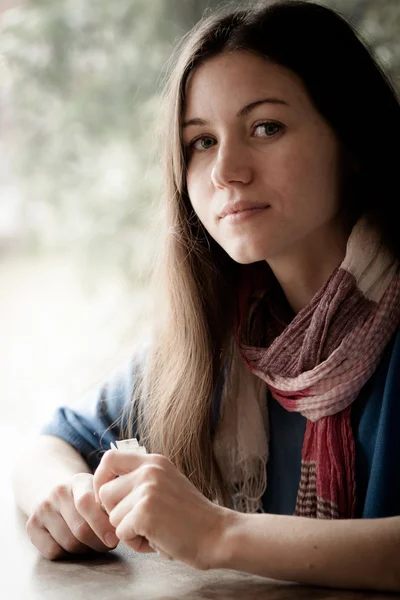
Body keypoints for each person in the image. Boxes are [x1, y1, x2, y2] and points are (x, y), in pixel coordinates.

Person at [13, 0, 400, 592]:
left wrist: (217, 533)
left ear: (351, 141)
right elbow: (52, 444)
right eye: (200, 142)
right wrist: (67, 499)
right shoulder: (232, 330)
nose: (226, 171)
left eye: (265, 127)